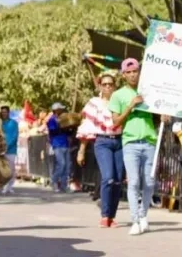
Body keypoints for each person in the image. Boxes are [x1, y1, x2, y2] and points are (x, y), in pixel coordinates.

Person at [109, 58, 163, 236]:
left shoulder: (149, 91)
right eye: (129, 72)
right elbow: (115, 122)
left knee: (148, 182)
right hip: (130, 142)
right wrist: (130, 106)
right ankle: (135, 220)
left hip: (149, 141)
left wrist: (163, 117)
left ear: (140, 72)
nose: (132, 75)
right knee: (133, 182)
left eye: (135, 71)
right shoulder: (118, 95)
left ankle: (143, 216)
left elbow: (157, 115)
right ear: (124, 74)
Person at [77, 70, 124, 228]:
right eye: (104, 84)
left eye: (111, 84)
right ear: (99, 85)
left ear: (115, 86)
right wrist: (82, 150)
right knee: (108, 177)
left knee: (117, 181)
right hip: (102, 141)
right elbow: (87, 126)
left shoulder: (120, 102)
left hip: (119, 141)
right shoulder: (94, 103)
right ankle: (104, 215)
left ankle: (112, 216)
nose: (108, 87)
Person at [47, 103, 71, 192]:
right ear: (56, 110)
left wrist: (69, 128)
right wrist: (61, 126)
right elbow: (53, 131)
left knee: (67, 166)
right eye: (60, 109)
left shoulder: (63, 119)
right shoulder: (52, 120)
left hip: (66, 144)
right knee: (61, 164)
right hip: (57, 144)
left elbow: (68, 132)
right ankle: (53, 181)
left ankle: (64, 186)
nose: (62, 110)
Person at [1, 106, 19, 194]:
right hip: (0, 149)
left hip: (11, 150)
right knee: (3, 169)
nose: (3, 113)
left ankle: (10, 186)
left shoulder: (14, 123)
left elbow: (15, 136)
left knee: (11, 169)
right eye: (2, 112)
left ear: (8, 113)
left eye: (5, 112)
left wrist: (7, 145)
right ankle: (5, 186)